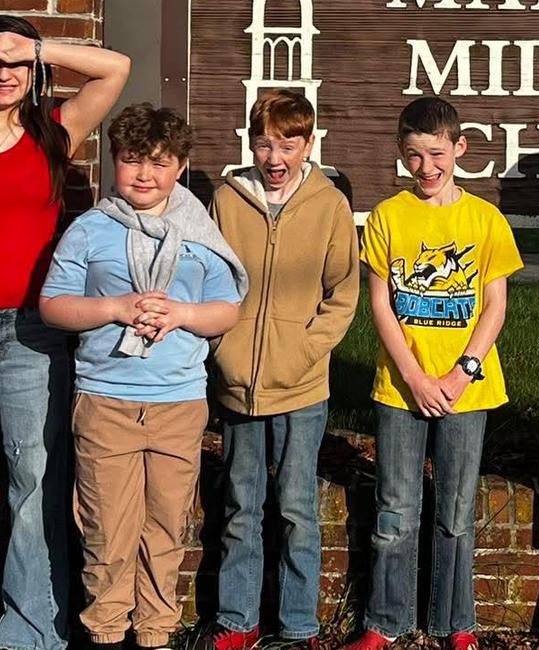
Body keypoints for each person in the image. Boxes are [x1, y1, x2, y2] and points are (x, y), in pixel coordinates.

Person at [0, 15, 129, 650]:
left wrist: (35, 47)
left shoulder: (54, 134)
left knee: (33, 478)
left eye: (16, 63)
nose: (5, 73)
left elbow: (115, 67)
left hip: (34, 335)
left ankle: (33, 625)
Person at [39, 103, 246, 650]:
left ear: (179, 165)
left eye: (159, 162)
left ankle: (155, 635)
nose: (145, 175)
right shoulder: (91, 228)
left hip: (177, 404)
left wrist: (181, 314)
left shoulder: (200, 231)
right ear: (114, 163)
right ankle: (104, 633)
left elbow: (227, 309)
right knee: (106, 533)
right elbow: (54, 306)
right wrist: (115, 308)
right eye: (132, 161)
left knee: (165, 530)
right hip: (106, 400)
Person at [338, 96, 522, 650]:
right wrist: (416, 378)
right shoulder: (389, 216)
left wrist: (462, 372)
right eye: (414, 156)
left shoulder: (484, 219)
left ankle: (454, 622)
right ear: (401, 153)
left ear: (460, 148)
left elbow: (495, 306)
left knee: (456, 511)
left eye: (437, 154)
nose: (427, 168)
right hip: (401, 387)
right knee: (395, 507)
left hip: (469, 388)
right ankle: (384, 621)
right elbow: (381, 306)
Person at [203, 89, 359, 650]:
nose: (275, 158)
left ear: (308, 144)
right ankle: (237, 620)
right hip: (238, 384)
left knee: (296, 509)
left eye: (288, 145)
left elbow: (342, 294)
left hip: (301, 386)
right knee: (241, 508)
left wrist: (301, 352)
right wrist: (224, 346)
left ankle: (298, 628)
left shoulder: (329, 205)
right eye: (264, 143)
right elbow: (208, 279)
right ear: (250, 143)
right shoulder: (226, 199)